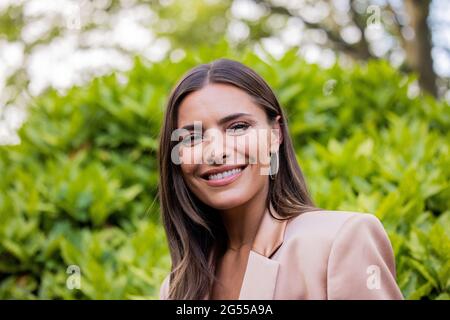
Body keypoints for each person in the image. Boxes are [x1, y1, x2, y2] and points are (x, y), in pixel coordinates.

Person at [157, 58, 403, 300]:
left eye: (238, 127)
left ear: (276, 134)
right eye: (191, 138)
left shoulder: (340, 241)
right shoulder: (176, 287)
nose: (215, 152)